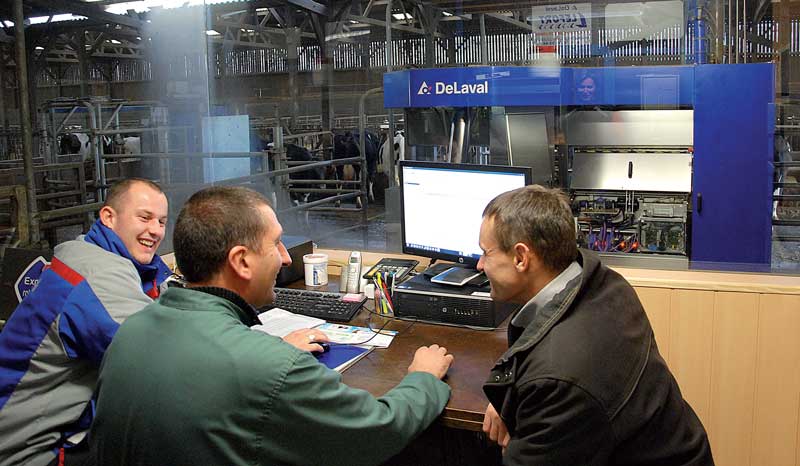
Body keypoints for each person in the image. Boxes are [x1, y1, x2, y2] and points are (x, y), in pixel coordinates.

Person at [88, 186, 454, 466]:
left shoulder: (130, 333)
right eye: (276, 243)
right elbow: (380, 430)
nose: (283, 258)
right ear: (241, 261)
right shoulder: (272, 366)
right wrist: (422, 378)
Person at [478, 185, 713, 465]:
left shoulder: (560, 375)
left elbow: (559, 387)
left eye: (486, 253)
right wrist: (512, 398)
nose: (480, 265)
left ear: (521, 258)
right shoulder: (605, 285)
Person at [0, 178, 171, 466]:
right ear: (108, 217)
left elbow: (161, 285)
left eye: (162, 221)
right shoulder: (96, 277)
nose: (155, 230)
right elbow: (163, 362)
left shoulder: (99, 254)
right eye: (145, 218)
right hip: (32, 450)